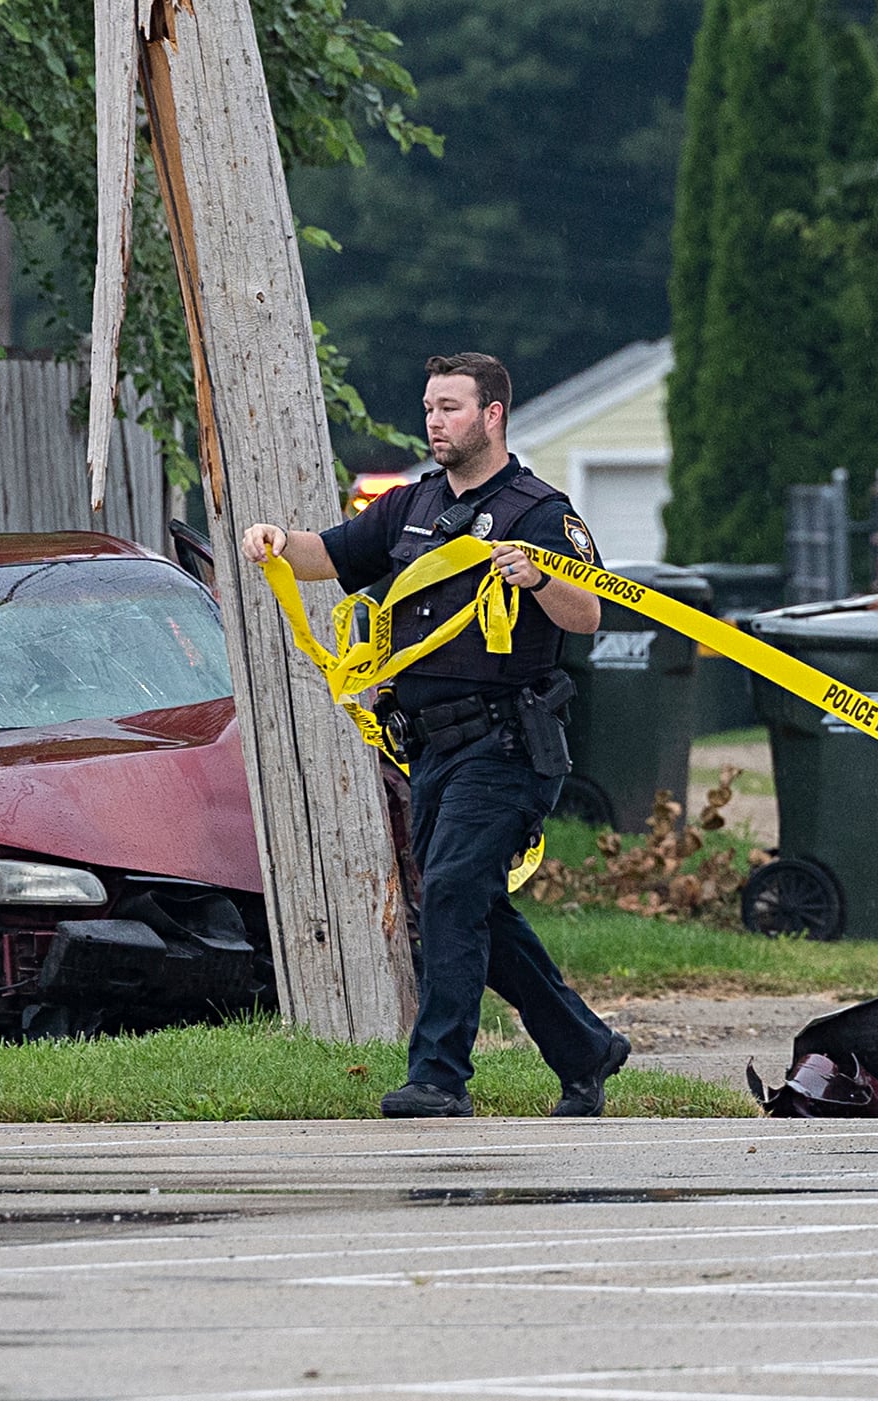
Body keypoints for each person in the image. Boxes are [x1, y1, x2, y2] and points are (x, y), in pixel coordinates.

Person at [239, 352, 630, 1118]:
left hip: (508, 743)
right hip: (429, 747)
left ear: (493, 415)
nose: (434, 421)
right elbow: (334, 554)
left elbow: (589, 612)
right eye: (428, 407)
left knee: (451, 889)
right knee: (469, 901)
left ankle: (438, 1076)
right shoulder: (410, 505)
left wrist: (540, 578)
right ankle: (586, 1048)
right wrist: (278, 541)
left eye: (450, 406)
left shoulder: (539, 511)